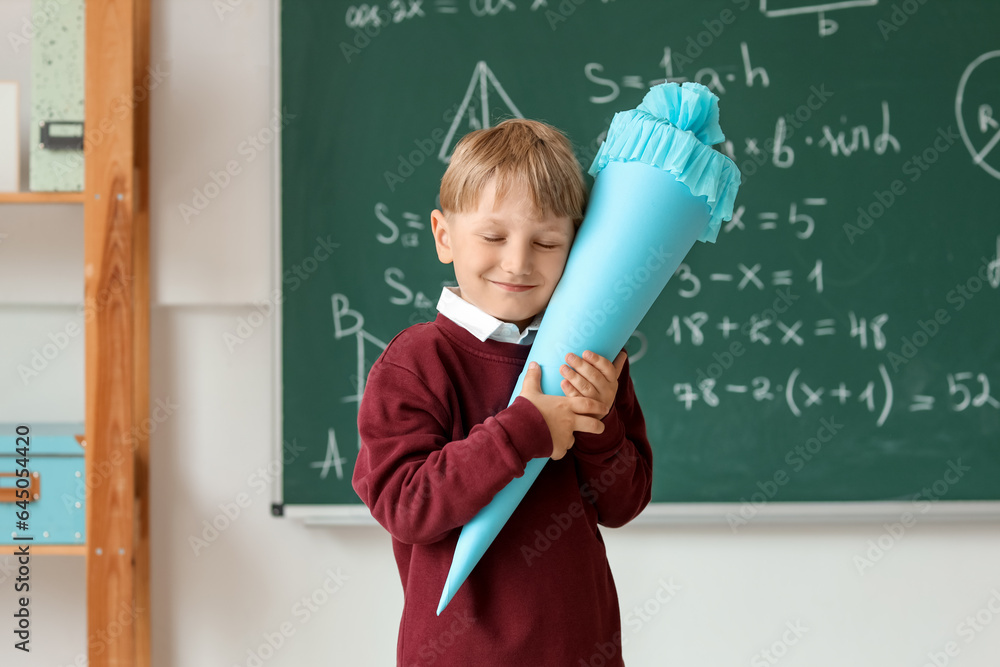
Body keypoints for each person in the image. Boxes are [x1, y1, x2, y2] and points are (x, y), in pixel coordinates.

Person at [352, 118, 652, 666]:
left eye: (546, 242)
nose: (517, 262)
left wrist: (601, 423)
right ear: (444, 236)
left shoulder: (593, 358)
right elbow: (406, 505)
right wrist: (525, 431)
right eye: (493, 237)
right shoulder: (416, 363)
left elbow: (623, 503)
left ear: (576, 249)